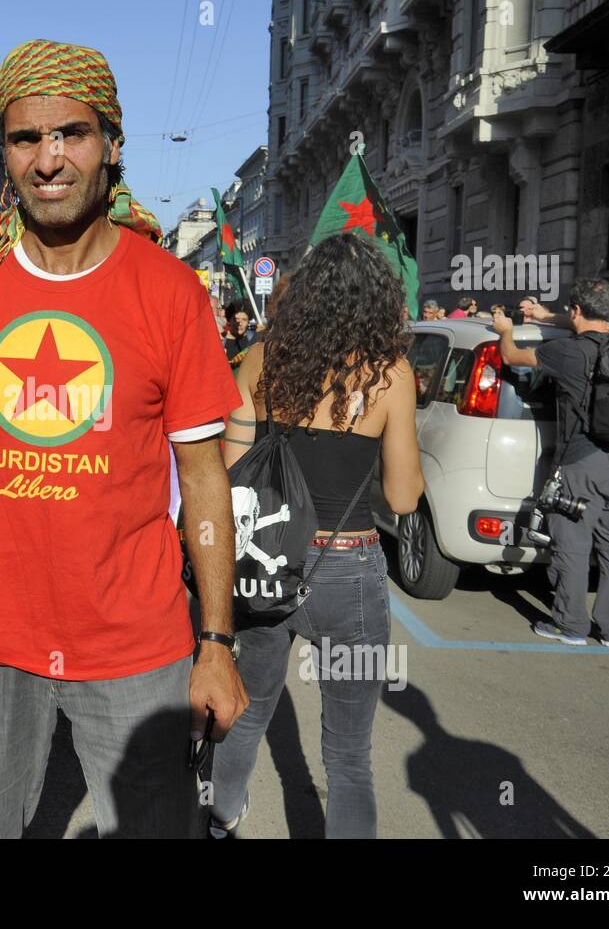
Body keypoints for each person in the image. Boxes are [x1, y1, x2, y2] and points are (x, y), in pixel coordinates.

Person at [0, 38, 247, 839]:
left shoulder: (170, 292)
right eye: (26, 138)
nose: (49, 159)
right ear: (5, 157)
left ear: (112, 145)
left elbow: (203, 475)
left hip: (138, 644)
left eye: (73, 134)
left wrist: (218, 640)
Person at [210, 232, 423, 839]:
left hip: (266, 559)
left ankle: (221, 817)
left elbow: (231, 473)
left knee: (246, 713)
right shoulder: (389, 376)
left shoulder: (261, 359)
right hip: (348, 568)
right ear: (378, 300)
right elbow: (405, 497)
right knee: (350, 754)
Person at [493, 279, 609, 647]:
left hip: (581, 460)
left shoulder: (567, 352)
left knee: (571, 543)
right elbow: (583, 318)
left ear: (575, 310)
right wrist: (544, 314)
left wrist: (506, 331)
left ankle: (571, 626)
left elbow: (511, 357)